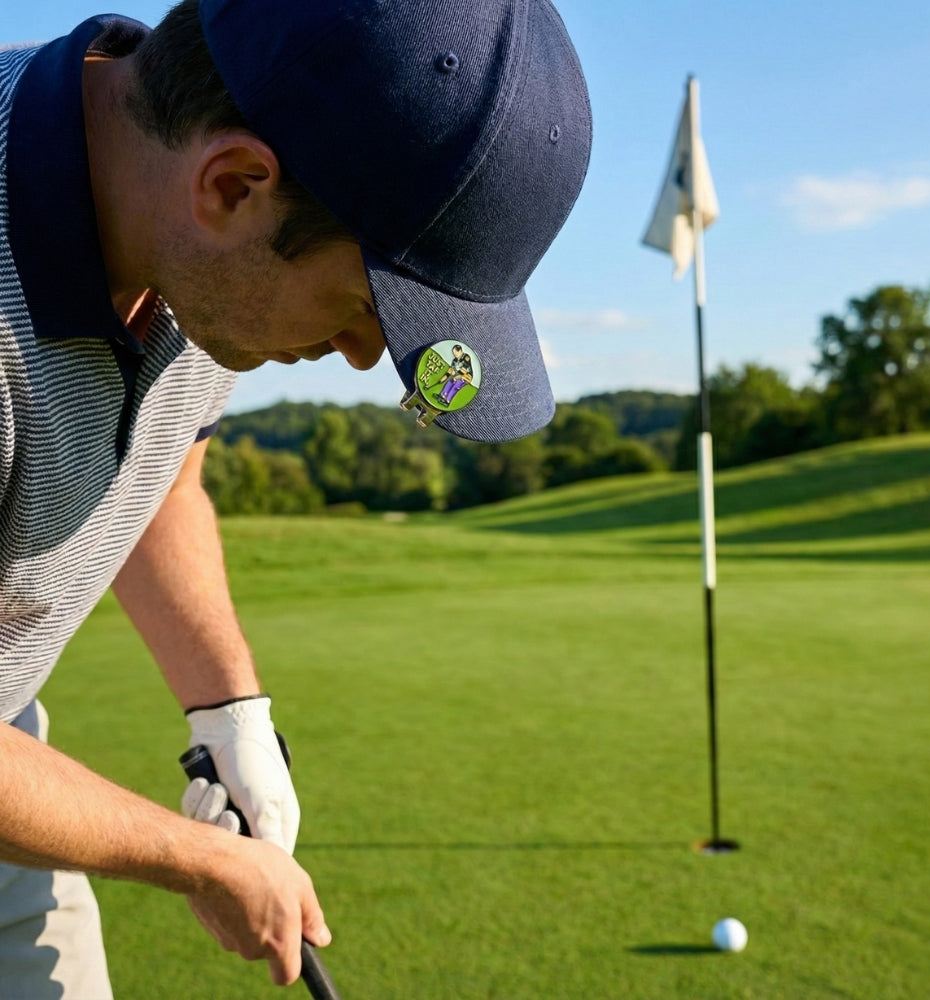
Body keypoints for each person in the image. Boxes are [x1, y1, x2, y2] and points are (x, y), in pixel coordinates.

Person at [0, 0, 591, 995]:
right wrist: (195, 857)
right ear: (233, 184)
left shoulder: (193, 256)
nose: (365, 356)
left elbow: (161, 469)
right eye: (364, 306)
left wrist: (229, 707)